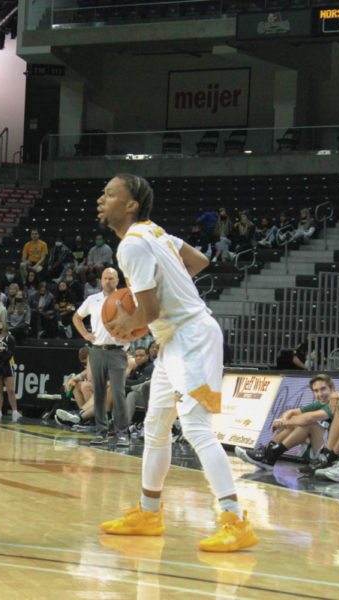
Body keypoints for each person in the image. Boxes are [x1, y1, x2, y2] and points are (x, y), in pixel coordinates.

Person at [96, 173, 256, 552]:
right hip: (174, 340)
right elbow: (198, 261)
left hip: (193, 338)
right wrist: (172, 288)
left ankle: (235, 519)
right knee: (155, 426)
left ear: (131, 205)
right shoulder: (155, 231)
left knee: (197, 427)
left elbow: (148, 311)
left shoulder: (132, 246)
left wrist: (125, 325)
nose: (102, 199)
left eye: (111, 194)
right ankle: (149, 513)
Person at [71, 267, 130, 445]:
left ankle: (121, 433)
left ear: (117, 281)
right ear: (101, 280)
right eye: (105, 278)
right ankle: (101, 432)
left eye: (111, 278)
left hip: (118, 352)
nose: (108, 281)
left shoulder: (126, 299)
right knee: (99, 393)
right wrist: (85, 335)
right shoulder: (92, 299)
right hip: (96, 351)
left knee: (118, 394)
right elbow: (76, 317)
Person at [238, 374, 336, 470]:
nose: (320, 394)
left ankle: (271, 455)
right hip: (320, 447)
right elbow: (291, 412)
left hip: (332, 453)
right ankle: (268, 452)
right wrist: (283, 420)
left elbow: (309, 418)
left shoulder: (335, 402)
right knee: (295, 421)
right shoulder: (319, 403)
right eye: (316, 391)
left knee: (307, 424)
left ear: (332, 388)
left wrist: (285, 423)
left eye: (323, 389)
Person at [0, 323, 20, 421]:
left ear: (4, 327)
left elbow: (11, 352)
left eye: (0, 324)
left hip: (7, 365)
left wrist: (3, 362)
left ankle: (14, 411)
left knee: (10, 389)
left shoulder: (9, 339)